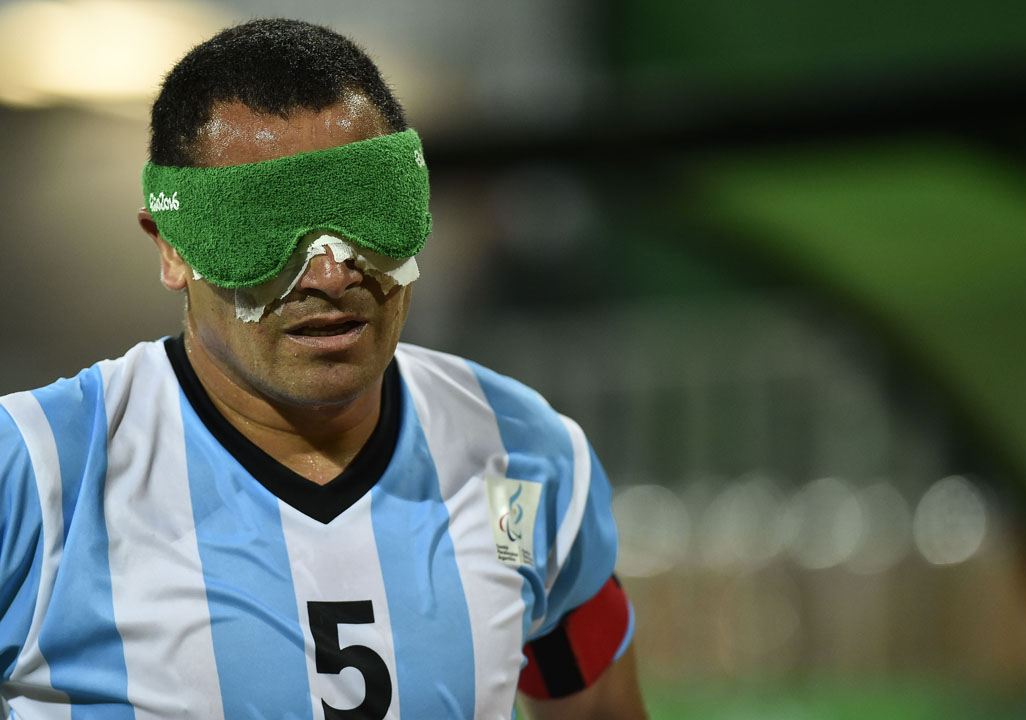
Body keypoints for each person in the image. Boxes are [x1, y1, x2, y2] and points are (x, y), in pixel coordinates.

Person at [0, 17, 647, 720]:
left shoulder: (524, 460)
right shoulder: (31, 478)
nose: (333, 271)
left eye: (368, 207)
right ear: (172, 248)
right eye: (261, 223)